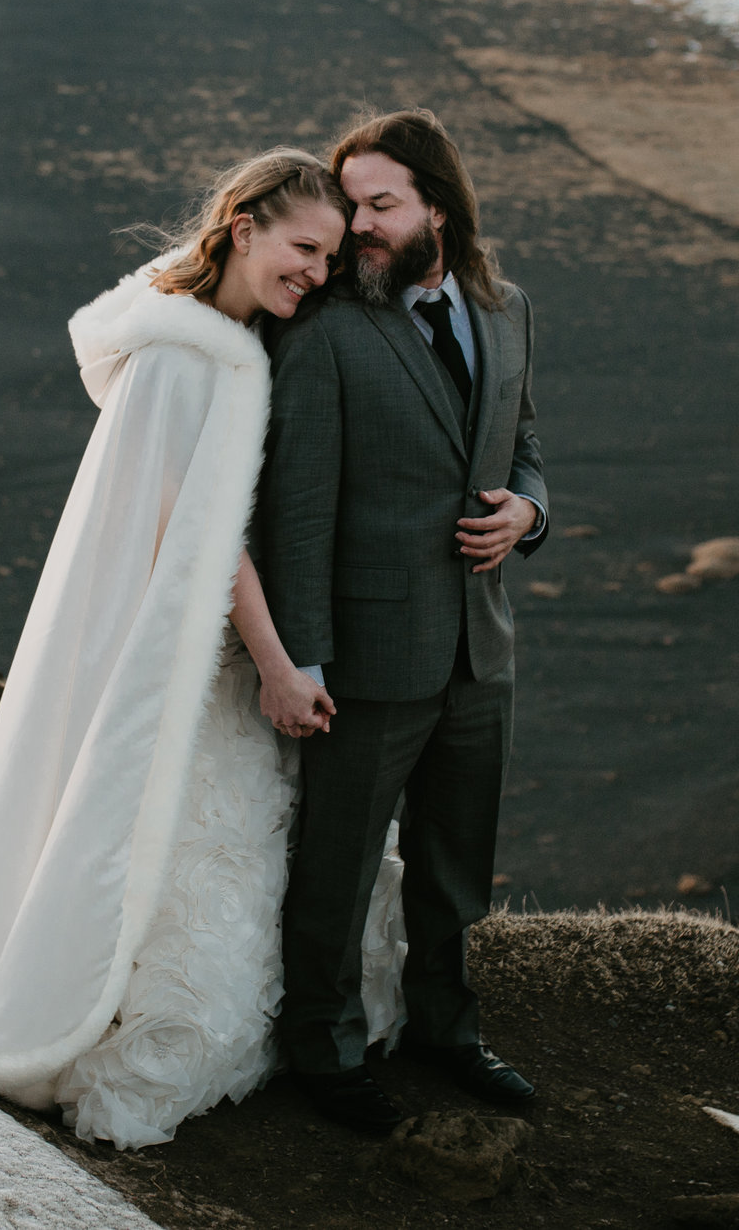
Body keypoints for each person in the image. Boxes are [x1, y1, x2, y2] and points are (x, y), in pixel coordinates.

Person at [0, 147, 405, 1149]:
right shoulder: (189, 357)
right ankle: (95, 1014)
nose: (317, 273)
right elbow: (204, 537)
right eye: (303, 247)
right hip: (184, 655)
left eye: (331, 257)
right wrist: (281, 665)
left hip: (182, 647)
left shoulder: (197, 337)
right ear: (242, 225)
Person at [255, 107, 550, 1134]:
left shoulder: (506, 308)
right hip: (370, 655)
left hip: (481, 646)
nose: (361, 226)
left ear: (438, 206)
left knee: (454, 861)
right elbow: (294, 510)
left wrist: (528, 508)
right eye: (351, 207)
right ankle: (324, 1050)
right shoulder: (327, 329)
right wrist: (301, 657)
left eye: (381, 204)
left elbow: (522, 444)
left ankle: (446, 1030)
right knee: (335, 867)